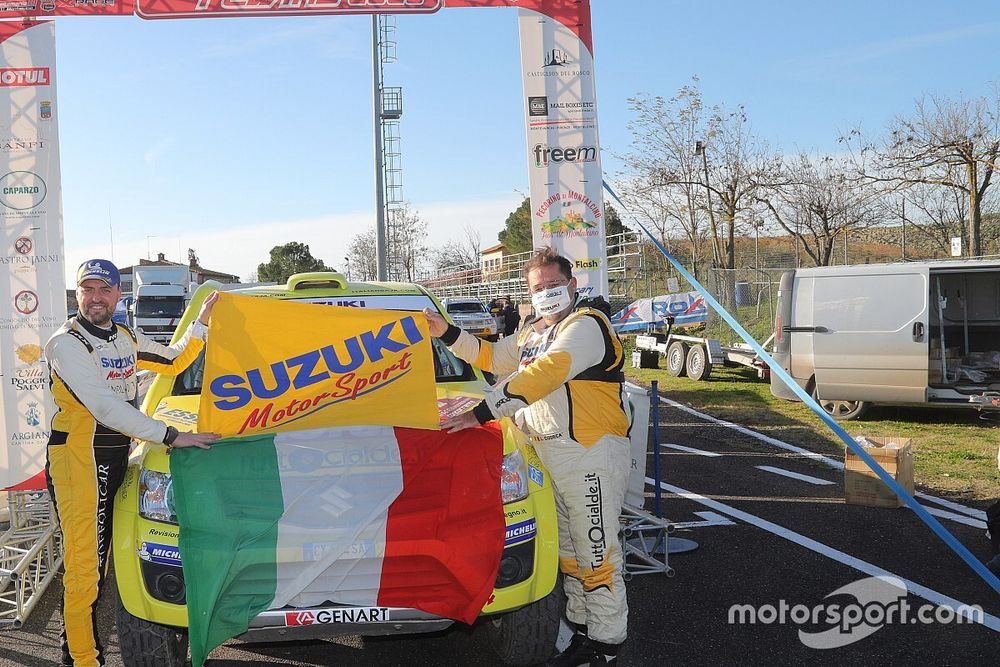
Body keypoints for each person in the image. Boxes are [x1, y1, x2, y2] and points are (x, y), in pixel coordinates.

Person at [424, 248, 630, 666]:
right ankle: (582, 630)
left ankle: (608, 643)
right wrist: (443, 331)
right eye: (539, 288)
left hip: (588, 452)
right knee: (570, 553)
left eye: (554, 285)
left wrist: (480, 412)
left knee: (597, 551)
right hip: (546, 453)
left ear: (573, 285)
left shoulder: (587, 325)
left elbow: (544, 373)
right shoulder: (533, 332)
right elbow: (491, 358)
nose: (547, 294)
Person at [45, 259, 220, 667]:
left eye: (103, 290)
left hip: (111, 457)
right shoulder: (66, 343)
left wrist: (203, 323)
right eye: (87, 290)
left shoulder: (124, 336)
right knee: (85, 567)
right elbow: (105, 407)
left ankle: (79, 648)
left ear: (118, 294)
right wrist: (172, 435)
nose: (95, 298)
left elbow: (175, 361)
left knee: (99, 561)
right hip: (78, 461)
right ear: (78, 294)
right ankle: (83, 659)